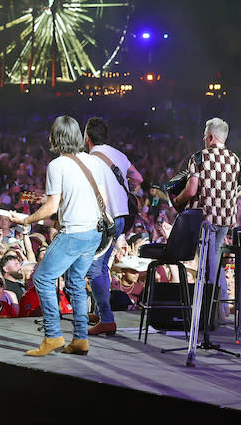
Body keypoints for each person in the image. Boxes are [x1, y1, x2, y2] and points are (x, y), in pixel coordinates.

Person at [10, 115, 108, 356]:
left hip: (74, 233)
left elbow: (51, 208)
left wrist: (26, 219)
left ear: (54, 137)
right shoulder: (94, 161)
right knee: (75, 282)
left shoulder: (56, 165)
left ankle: (53, 336)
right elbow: (102, 199)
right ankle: (80, 340)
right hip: (95, 233)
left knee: (43, 278)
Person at [174, 117, 241, 310]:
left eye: (205, 136)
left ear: (211, 137)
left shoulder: (199, 157)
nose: (204, 139)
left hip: (205, 219)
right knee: (213, 260)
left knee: (207, 263)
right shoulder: (236, 159)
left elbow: (190, 190)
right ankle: (219, 310)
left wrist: (177, 200)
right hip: (225, 220)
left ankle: (211, 310)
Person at [83, 117, 143, 336]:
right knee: (103, 266)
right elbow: (138, 177)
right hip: (121, 217)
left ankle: (107, 319)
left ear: (86, 138)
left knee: (93, 268)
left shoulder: (88, 159)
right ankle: (100, 312)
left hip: (105, 220)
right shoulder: (118, 154)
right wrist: (126, 191)